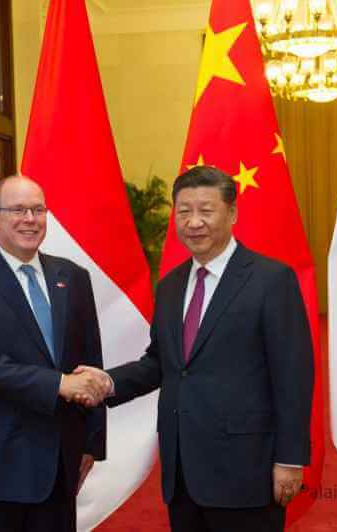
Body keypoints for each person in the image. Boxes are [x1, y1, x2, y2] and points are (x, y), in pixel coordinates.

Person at [76, 166, 314, 531]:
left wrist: (291, 458)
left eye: (206, 210)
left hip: (246, 469)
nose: (193, 222)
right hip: (183, 469)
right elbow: (161, 362)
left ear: (232, 213)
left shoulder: (271, 280)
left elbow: (293, 375)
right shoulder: (171, 285)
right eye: (184, 211)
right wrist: (107, 382)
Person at [0, 175, 110, 532]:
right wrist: (58, 384)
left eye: (38, 209)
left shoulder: (73, 277)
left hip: (60, 465)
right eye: (18, 210)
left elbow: (90, 358)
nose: (30, 219)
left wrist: (92, 442)